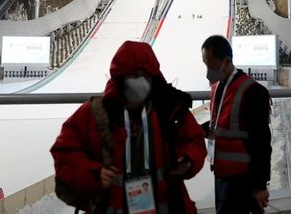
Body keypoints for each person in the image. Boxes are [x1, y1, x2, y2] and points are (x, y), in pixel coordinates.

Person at [51, 41, 206, 213]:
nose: (140, 81)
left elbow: (195, 141)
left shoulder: (170, 110)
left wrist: (188, 160)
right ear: (120, 77)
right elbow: (64, 153)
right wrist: (94, 173)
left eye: (145, 75)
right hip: (113, 205)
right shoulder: (95, 113)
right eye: (134, 74)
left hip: (166, 203)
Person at [201, 35, 271, 214]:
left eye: (211, 65)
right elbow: (220, 124)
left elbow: (261, 142)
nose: (208, 71)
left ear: (226, 61)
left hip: (242, 179)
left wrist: (260, 186)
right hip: (220, 173)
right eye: (205, 65)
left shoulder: (253, 91)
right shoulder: (217, 87)